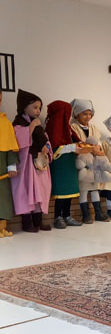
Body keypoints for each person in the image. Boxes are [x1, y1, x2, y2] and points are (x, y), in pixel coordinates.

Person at [10, 88, 52, 233]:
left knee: (39, 191)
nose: (38, 111)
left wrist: (46, 147)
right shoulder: (18, 124)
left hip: (38, 165)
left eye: (39, 108)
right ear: (24, 107)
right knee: (26, 192)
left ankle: (38, 222)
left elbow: (46, 140)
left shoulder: (39, 126)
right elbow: (17, 143)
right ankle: (27, 224)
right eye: (35, 107)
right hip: (26, 166)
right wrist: (31, 127)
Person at [46, 100, 85, 229]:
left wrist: (80, 145)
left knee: (69, 190)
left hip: (68, 162)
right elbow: (54, 147)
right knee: (61, 192)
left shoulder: (67, 128)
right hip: (59, 164)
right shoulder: (53, 126)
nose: (69, 117)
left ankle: (67, 215)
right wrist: (72, 147)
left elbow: (74, 140)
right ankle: (58, 217)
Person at [70, 98, 110, 223]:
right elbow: (77, 145)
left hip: (94, 164)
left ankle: (98, 213)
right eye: (84, 114)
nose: (88, 117)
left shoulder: (94, 128)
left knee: (94, 188)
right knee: (84, 189)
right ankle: (85, 214)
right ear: (77, 114)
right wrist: (90, 148)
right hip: (82, 163)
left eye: (89, 114)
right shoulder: (73, 127)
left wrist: (99, 151)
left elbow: (98, 144)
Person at [0, 90, 19, 237]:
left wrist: (12, 167)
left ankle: (2, 228)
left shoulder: (5, 122)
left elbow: (11, 149)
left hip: (2, 168)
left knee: (3, 199)